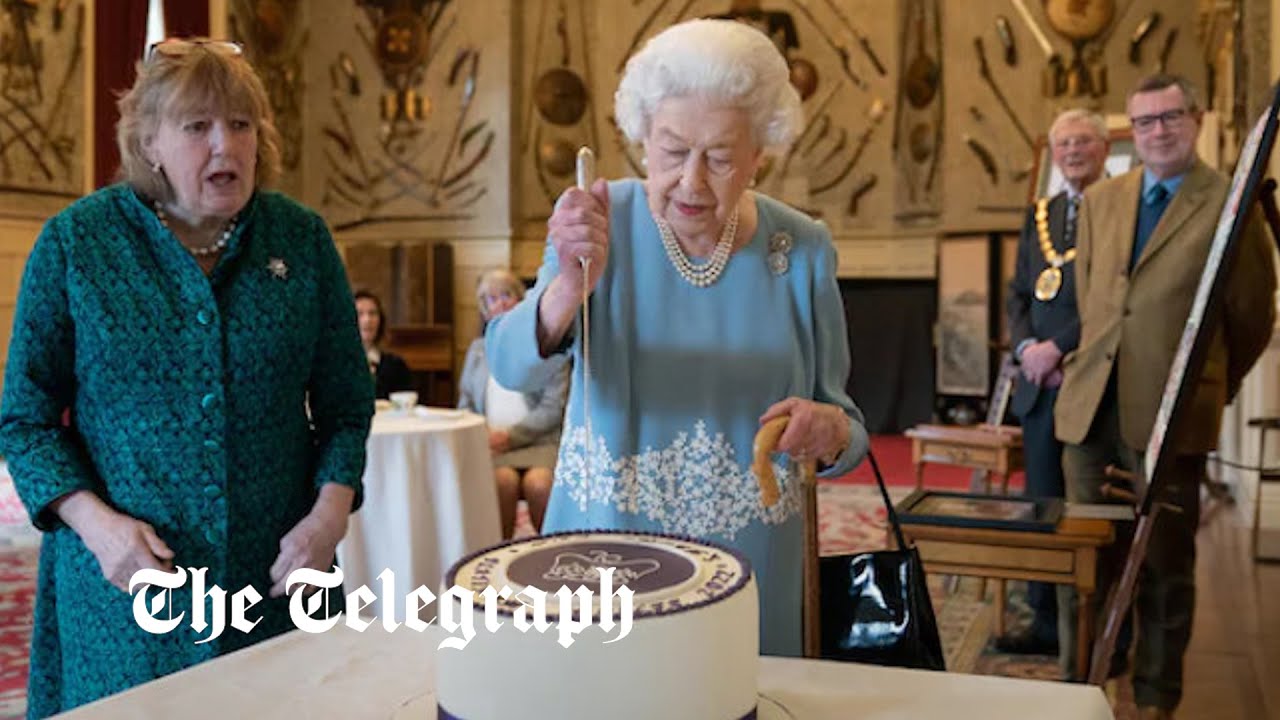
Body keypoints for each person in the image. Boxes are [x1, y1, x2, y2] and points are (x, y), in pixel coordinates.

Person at [0, 39, 373, 716]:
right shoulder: (76, 244)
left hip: (277, 585)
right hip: (126, 595)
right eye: (197, 127)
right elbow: (23, 420)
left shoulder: (302, 240)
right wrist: (96, 526)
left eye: (240, 124)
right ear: (149, 144)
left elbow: (347, 407)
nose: (224, 145)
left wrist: (330, 516)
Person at [485, 18, 869, 657]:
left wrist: (828, 431)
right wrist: (565, 290)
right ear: (641, 139)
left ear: (759, 155)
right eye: (671, 151)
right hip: (607, 554)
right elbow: (509, 366)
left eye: (720, 158)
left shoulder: (800, 249)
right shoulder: (597, 218)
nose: (692, 181)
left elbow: (848, 428)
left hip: (753, 565)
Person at [1054, 74, 1277, 718]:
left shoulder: (1229, 206)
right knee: (1085, 562)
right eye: (1144, 121)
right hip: (1089, 410)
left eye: (1169, 117)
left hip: (1169, 418)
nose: (1157, 131)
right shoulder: (1103, 200)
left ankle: (1155, 699)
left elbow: (1252, 321)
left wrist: (1212, 390)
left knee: (1162, 571)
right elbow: (1098, 302)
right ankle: (1084, 686)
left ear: (1197, 119)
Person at [1000, 109, 1109, 656]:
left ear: (1104, 147)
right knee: (1041, 503)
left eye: (1083, 140)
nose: (1072, 150)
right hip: (1039, 385)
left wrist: (1058, 348)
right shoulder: (1041, 213)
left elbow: (1114, 299)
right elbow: (1019, 292)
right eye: (1063, 142)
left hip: (1091, 382)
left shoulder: (1121, 209)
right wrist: (1026, 349)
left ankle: (1094, 629)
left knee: (1086, 510)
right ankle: (1043, 625)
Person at [458, 269, 569, 539]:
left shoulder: (548, 344)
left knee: (539, 485)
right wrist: (482, 433)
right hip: (493, 446)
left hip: (540, 442)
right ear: (484, 311)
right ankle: (499, 556)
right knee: (501, 483)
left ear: (523, 301)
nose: (501, 304)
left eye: (507, 295)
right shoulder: (477, 350)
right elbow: (466, 402)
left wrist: (510, 436)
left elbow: (554, 408)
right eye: (491, 299)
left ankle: (554, 554)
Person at [354, 289, 414, 399]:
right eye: (359, 314)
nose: (367, 320)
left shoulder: (396, 366)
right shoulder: (336, 365)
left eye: (372, 313)